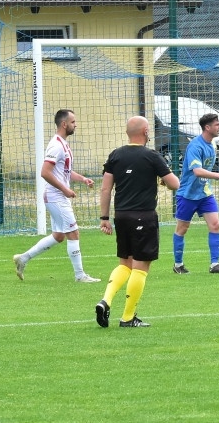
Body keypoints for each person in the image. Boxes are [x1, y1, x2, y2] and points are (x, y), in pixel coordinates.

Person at [95, 116, 180, 328]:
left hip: (121, 215)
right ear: (145, 131)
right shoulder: (152, 156)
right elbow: (174, 184)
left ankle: (105, 300)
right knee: (141, 268)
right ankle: (128, 317)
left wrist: (104, 218)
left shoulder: (115, 155)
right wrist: (162, 179)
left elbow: (106, 188)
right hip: (143, 215)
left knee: (125, 263)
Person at [13, 109, 100, 283]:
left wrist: (82, 179)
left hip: (56, 196)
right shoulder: (56, 145)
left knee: (59, 235)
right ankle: (80, 275)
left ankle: (23, 258)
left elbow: (64, 171)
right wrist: (65, 189)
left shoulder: (63, 144)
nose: (76, 125)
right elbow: (45, 172)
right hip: (56, 197)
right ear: (64, 124)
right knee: (73, 233)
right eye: (73, 122)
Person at [172, 112, 219, 275]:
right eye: (217, 124)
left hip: (205, 193)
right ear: (207, 127)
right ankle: (178, 265)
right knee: (182, 228)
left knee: (215, 225)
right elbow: (197, 171)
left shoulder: (212, 144)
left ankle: (215, 264)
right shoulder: (195, 146)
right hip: (187, 194)